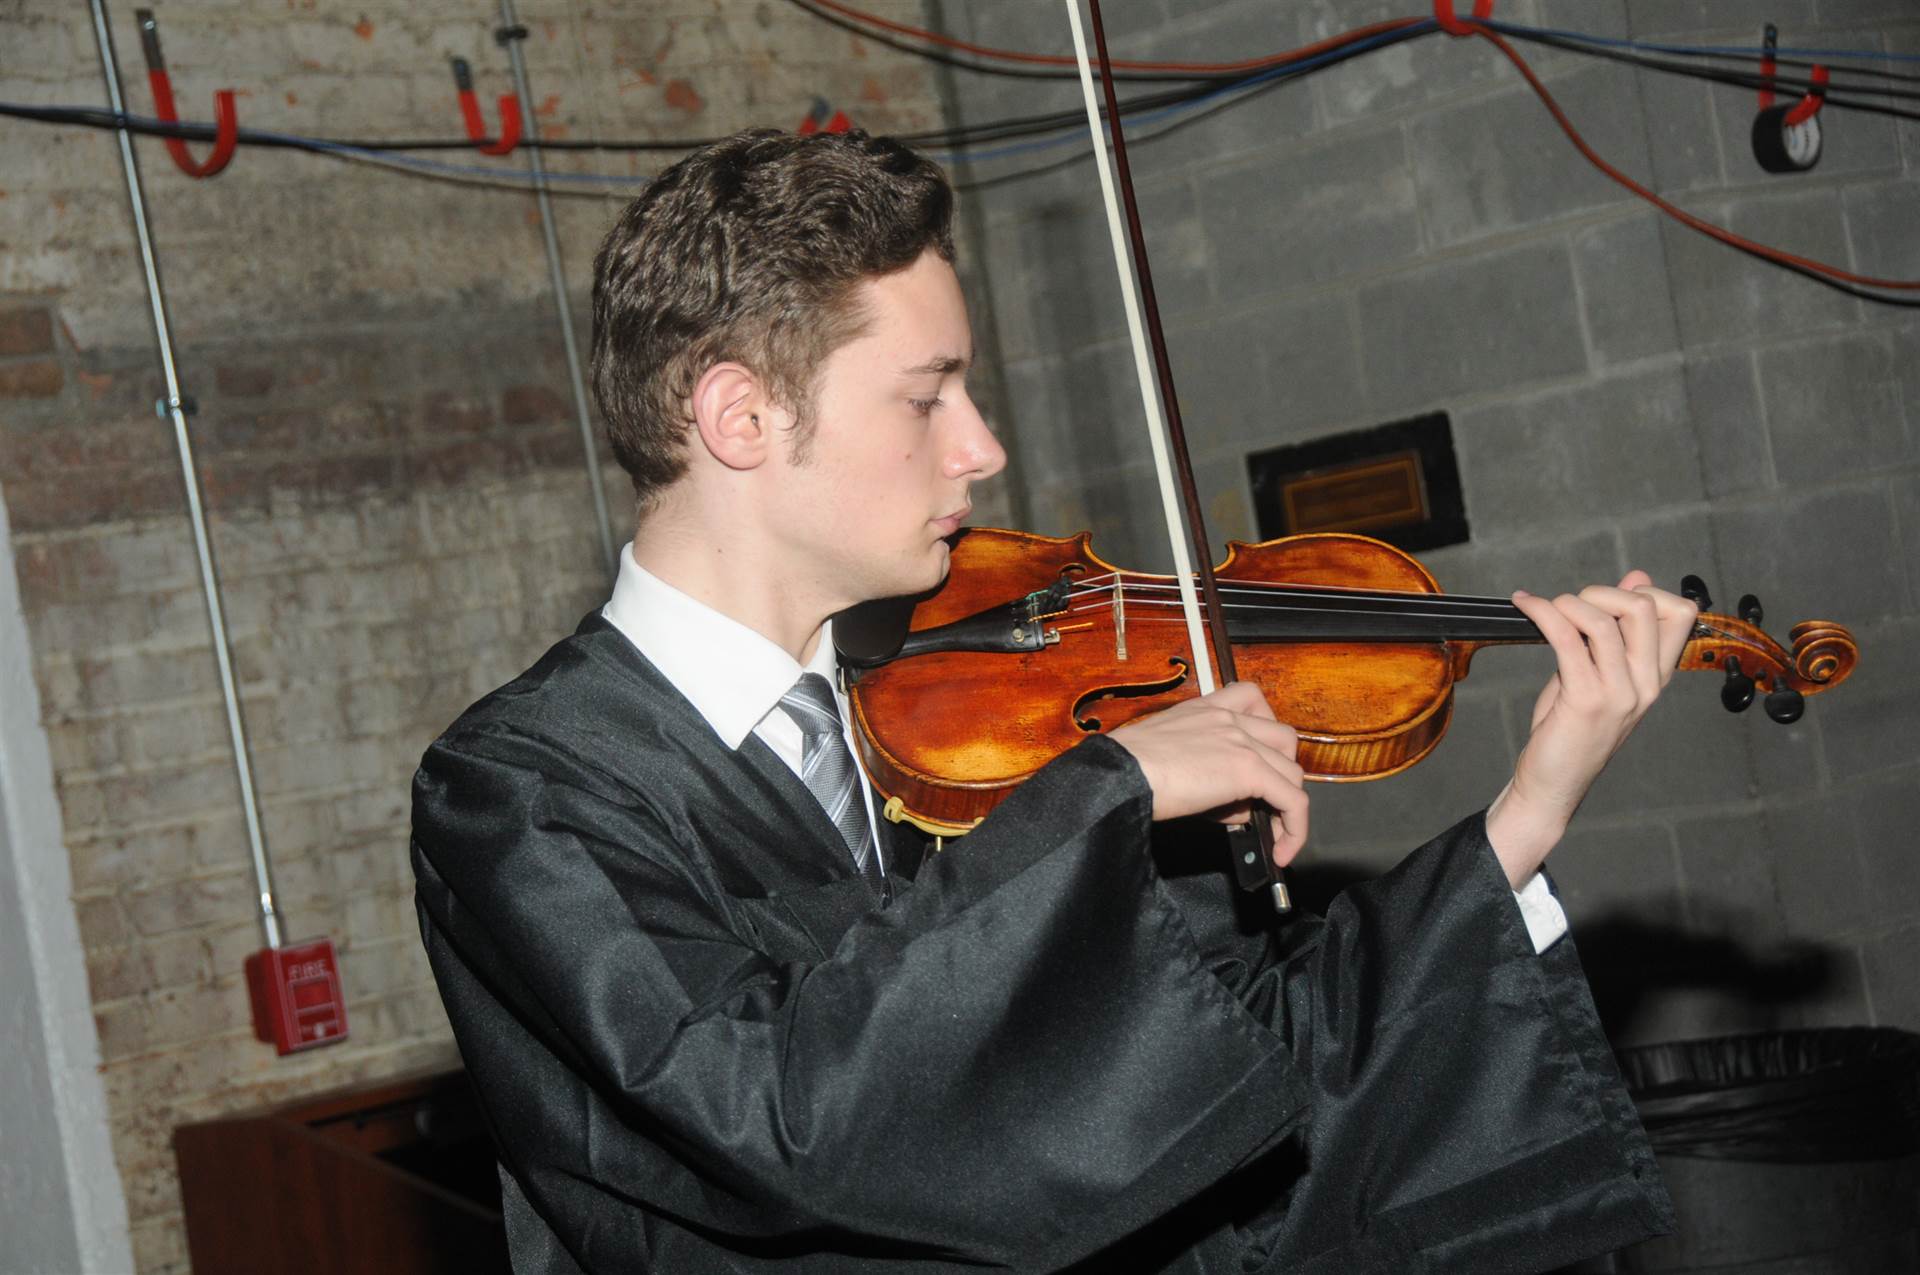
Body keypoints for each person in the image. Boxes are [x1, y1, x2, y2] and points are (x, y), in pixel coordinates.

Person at [412, 128, 1690, 1273]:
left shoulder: (964, 735)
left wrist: (1529, 809)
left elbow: (1239, 1091)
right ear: (742, 417)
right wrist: (1116, 788)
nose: (982, 448)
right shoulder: (525, 792)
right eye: (927, 396)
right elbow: (779, 1113)